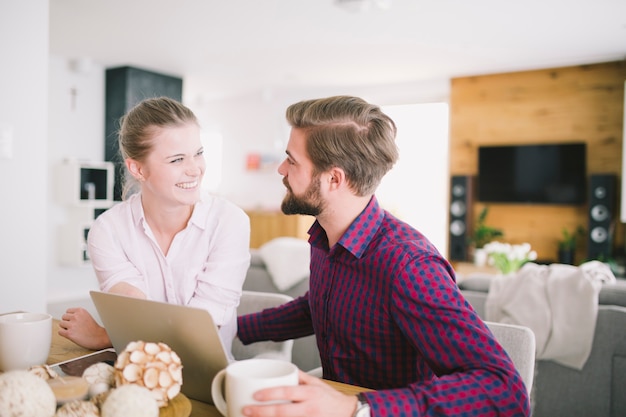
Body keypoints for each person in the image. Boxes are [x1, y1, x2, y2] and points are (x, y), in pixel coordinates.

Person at [237, 95, 530, 416]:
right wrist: (232, 328)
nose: (281, 169)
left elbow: (504, 390)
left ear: (334, 179)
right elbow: (319, 305)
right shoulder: (324, 237)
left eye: (291, 160)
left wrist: (355, 407)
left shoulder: (409, 266)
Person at [58, 97, 250, 356]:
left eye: (198, 153)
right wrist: (123, 332)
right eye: (177, 160)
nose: (195, 170)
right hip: (137, 367)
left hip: (206, 378)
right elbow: (135, 317)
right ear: (137, 169)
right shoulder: (108, 231)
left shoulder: (229, 222)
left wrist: (104, 336)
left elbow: (199, 329)